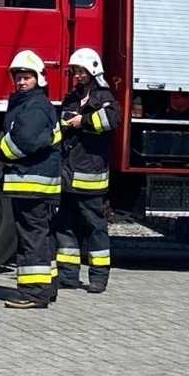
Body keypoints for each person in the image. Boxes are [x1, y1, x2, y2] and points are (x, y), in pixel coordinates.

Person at [0, 50, 62, 309]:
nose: (21, 82)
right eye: (18, 77)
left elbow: (24, 140)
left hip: (31, 184)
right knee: (41, 236)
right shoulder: (32, 104)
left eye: (27, 77)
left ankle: (34, 293)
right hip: (34, 184)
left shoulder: (35, 107)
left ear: (39, 79)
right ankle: (47, 287)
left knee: (31, 238)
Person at [56, 47, 119, 294]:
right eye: (75, 71)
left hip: (91, 176)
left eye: (81, 70)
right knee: (65, 226)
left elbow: (111, 120)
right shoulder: (72, 98)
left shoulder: (104, 98)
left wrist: (82, 121)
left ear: (93, 70)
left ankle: (99, 277)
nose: (78, 75)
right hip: (69, 174)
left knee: (95, 228)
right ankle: (68, 276)